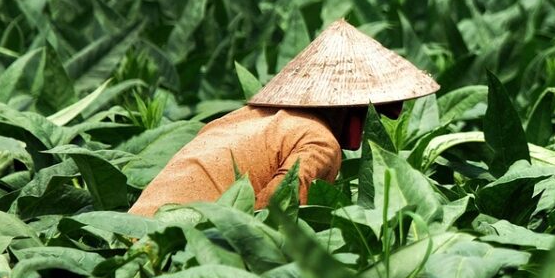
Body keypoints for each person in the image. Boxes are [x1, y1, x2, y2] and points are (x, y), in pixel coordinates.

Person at [128, 20, 438, 216]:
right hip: (179, 244)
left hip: (132, 231)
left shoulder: (242, 117)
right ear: (352, 107)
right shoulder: (319, 141)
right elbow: (275, 216)